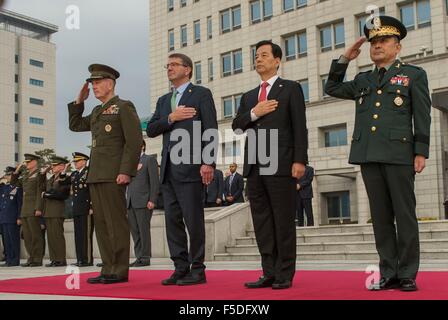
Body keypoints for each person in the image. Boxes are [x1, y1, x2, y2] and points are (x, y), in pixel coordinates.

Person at [325, 15, 431, 292]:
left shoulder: (413, 75)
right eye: (373, 42)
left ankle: (407, 272)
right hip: (368, 155)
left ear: (397, 46)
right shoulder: (363, 79)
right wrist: (344, 58)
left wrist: (421, 152)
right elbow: (332, 87)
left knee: (404, 215)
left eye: (383, 41)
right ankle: (388, 271)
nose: (377, 46)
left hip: (399, 154)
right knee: (381, 218)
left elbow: (422, 116)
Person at [232, 40, 308, 290]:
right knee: (262, 221)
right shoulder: (249, 97)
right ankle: (268, 272)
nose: (258, 59)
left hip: (282, 163)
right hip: (255, 166)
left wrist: (300, 160)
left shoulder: (291, 89)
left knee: (283, 219)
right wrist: (255, 112)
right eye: (256, 56)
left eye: (264, 55)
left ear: (277, 60)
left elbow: (299, 126)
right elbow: (237, 125)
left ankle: (285, 273)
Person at [147, 53, 218, 286]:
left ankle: (198, 269)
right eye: (167, 65)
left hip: (191, 168)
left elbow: (210, 129)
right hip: (168, 170)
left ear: (187, 69)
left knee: (193, 221)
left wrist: (208, 162)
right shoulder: (164, 100)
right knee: (173, 222)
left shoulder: (201, 94)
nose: (169, 68)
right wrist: (171, 117)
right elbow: (152, 129)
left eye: (174, 65)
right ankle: (180, 267)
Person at [68, 64, 142, 284]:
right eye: (92, 83)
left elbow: (134, 141)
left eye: (98, 82)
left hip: (113, 174)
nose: (94, 86)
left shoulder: (123, 107)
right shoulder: (98, 112)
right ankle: (108, 268)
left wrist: (126, 171)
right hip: (96, 174)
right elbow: (75, 125)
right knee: (101, 224)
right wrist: (79, 102)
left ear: (110, 83)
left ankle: (119, 270)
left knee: (115, 223)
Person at [127, 140, 159, 267]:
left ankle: (145, 257)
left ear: (143, 146)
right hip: (130, 202)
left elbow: (154, 182)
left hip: (144, 201)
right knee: (135, 232)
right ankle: (139, 256)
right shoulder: (129, 163)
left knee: (143, 230)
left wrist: (152, 199)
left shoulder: (149, 160)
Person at [11, 154, 46, 267]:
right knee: (27, 236)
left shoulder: (40, 175)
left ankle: (37, 259)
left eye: (28, 162)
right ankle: (31, 258)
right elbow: (14, 183)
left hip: (33, 209)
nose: (26, 164)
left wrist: (38, 208)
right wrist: (17, 171)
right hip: (25, 209)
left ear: (35, 162)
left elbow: (40, 192)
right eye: (25, 162)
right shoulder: (26, 175)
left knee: (36, 235)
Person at [42, 156, 70, 267]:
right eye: (52, 165)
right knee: (51, 237)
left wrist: (47, 195)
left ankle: (61, 259)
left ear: (62, 166)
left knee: (57, 236)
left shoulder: (65, 178)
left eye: (55, 165)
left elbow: (63, 194)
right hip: (48, 210)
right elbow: (41, 185)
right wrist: (44, 171)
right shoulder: (51, 178)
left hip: (57, 210)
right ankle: (54, 259)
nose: (52, 167)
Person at [70, 152, 94, 267]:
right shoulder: (74, 174)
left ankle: (87, 259)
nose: (75, 163)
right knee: (78, 234)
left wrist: (91, 206)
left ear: (84, 161)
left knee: (86, 234)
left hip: (86, 207)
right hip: (77, 208)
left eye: (77, 161)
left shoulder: (88, 172)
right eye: (74, 161)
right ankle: (80, 258)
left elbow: (91, 190)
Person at [0, 166, 22, 267]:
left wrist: (19, 217)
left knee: (14, 240)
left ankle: (15, 260)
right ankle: (8, 260)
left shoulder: (18, 187)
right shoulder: (5, 187)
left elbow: (19, 204)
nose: (7, 177)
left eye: (9, 175)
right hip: (4, 218)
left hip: (13, 218)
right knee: (7, 241)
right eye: (7, 175)